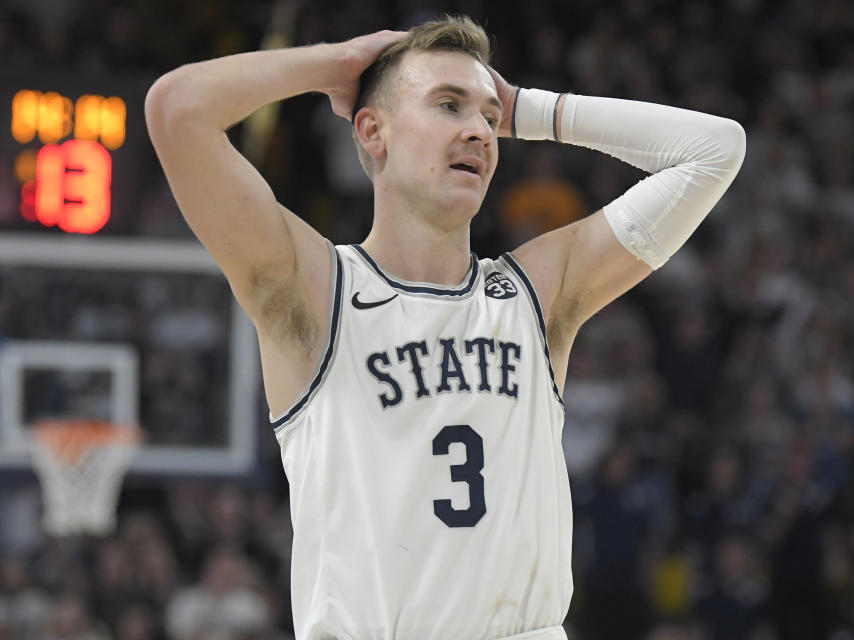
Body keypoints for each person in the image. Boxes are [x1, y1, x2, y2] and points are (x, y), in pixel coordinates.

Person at [145, 15, 745, 640]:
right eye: (448, 105)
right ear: (373, 131)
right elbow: (176, 108)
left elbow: (715, 150)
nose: (478, 131)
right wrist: (338, 63)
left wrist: (529, 110)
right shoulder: (317, 292)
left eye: (488, 117)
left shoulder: (533, 296)